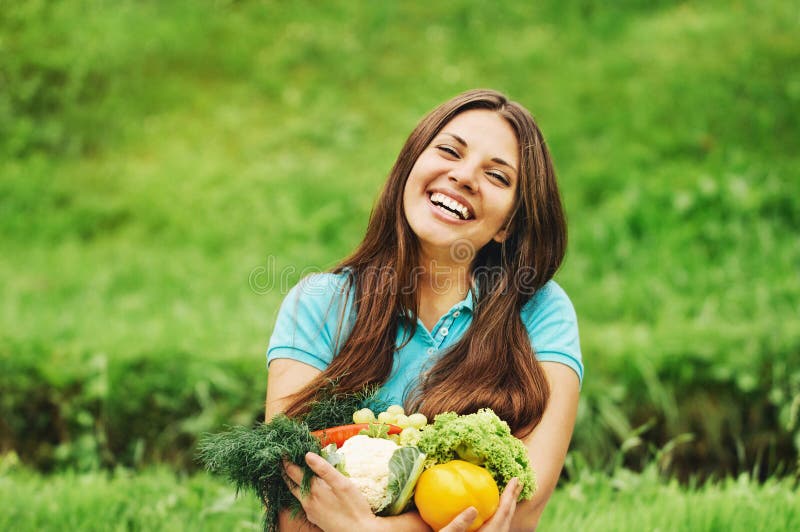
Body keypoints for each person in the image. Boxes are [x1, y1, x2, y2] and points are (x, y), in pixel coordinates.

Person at [265, 89, 583, 531]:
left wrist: (368, 530)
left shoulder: (541, 311)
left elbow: (522, 505)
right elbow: (292, 508)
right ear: (412, 165)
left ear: (508, 224)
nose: (465, 176)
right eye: (449, 151)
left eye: (497, 176)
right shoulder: (319, 304)